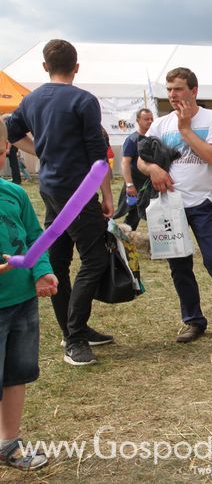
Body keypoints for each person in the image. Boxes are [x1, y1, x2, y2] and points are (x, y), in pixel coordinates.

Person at [5, 39, 114, 367]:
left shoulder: (31, 99)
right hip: (78, 191)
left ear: (44, 66)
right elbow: (98, 155)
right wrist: (108, 195)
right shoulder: (83, 100)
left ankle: (73, 329)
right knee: (95, 259)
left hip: (51, 188)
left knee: (60, 260)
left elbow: (10, 134)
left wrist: (40, 151)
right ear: (76, 67)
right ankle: (74, 336)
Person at [138, 67, 212, 347]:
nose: (172, 94)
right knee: (179, 267)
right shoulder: (160, 124)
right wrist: (153, 168)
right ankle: (193, 321)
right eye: (169, 89)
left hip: (203, 204)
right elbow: (141, 159)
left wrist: (185, 129)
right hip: (170, 207)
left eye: (178, 88)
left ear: (194, 91)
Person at [0, 117, 58, 471]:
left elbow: (35, 238)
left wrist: (42, 271)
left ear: (6, 149)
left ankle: (8, 441)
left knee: (16, 373)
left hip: (21, 301)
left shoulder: (15, 193)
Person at [113, 108, 153, 230]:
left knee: (153, 214)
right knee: (132, 216)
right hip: (135, 184)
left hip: (149, 185)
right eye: (146, 119)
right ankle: (124, 245)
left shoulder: (152, 138)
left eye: (151, 119)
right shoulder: (132, 139)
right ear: (138, 120)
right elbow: (125, 162)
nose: (150, 121)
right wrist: (129, 185)